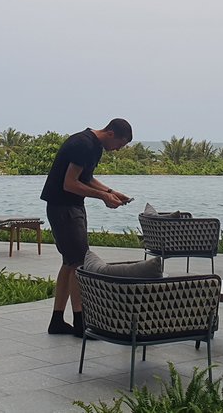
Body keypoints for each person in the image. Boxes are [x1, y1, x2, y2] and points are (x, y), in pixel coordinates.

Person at [41, 118, 132, 337]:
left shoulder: (93, 145)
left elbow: (86, 178)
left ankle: (57, 321)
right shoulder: (83, 144)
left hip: (67, 207)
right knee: (80, 264)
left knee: (70, 263)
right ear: (110, 133)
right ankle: (81, 324)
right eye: (120, 144)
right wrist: (103, 197)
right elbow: (69, 183)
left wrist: (111, 191)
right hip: (64, 209)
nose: (118, 150)